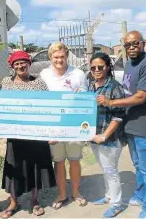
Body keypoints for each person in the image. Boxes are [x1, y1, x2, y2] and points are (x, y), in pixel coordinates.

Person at [97, 30, 146, 218]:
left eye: (135, 43)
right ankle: (141, 195)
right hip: (132, 125)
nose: (132, 47)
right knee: (138, 165)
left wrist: (110, 103)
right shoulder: (129, 64)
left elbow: (141, 97)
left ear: (143, 44)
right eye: (128, 45)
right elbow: (126, 91)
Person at [0, 50, 56, 218]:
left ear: (29, 63)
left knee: (34, 168)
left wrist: (51, 132)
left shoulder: (39, 83)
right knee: (14, 169)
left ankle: (34, 201)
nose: (20, 66)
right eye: (16, 64)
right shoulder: (6, 82)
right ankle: (13, 202)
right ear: (12, 66)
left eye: (23, 62)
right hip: (15, 136)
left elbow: (48, 107)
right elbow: (0, 106)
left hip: (35, 135)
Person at [40, 42, 88, 209]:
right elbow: (41, 100)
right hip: (53, 127)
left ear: (67, 55)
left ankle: (75, 192)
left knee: (74, 160)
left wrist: (79, 96)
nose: (59, 60)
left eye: (62, 56)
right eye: (56, 57)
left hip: (74, 126)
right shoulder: (44, 74)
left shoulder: (78, 74)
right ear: (50, 57)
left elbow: (85, 98)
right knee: (58, 162)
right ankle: (62, 193)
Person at [88, 52, 126, 218]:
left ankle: (117, 204)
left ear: (108, 67)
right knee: (104, 168)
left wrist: (104, 136)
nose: (96, 70)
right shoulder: (91, 85)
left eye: (100, 67)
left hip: (110, 138)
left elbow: (118, 116)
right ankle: (109, 196)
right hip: (94, 136)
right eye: (93, 67)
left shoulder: (115, 87)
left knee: (110, 170)